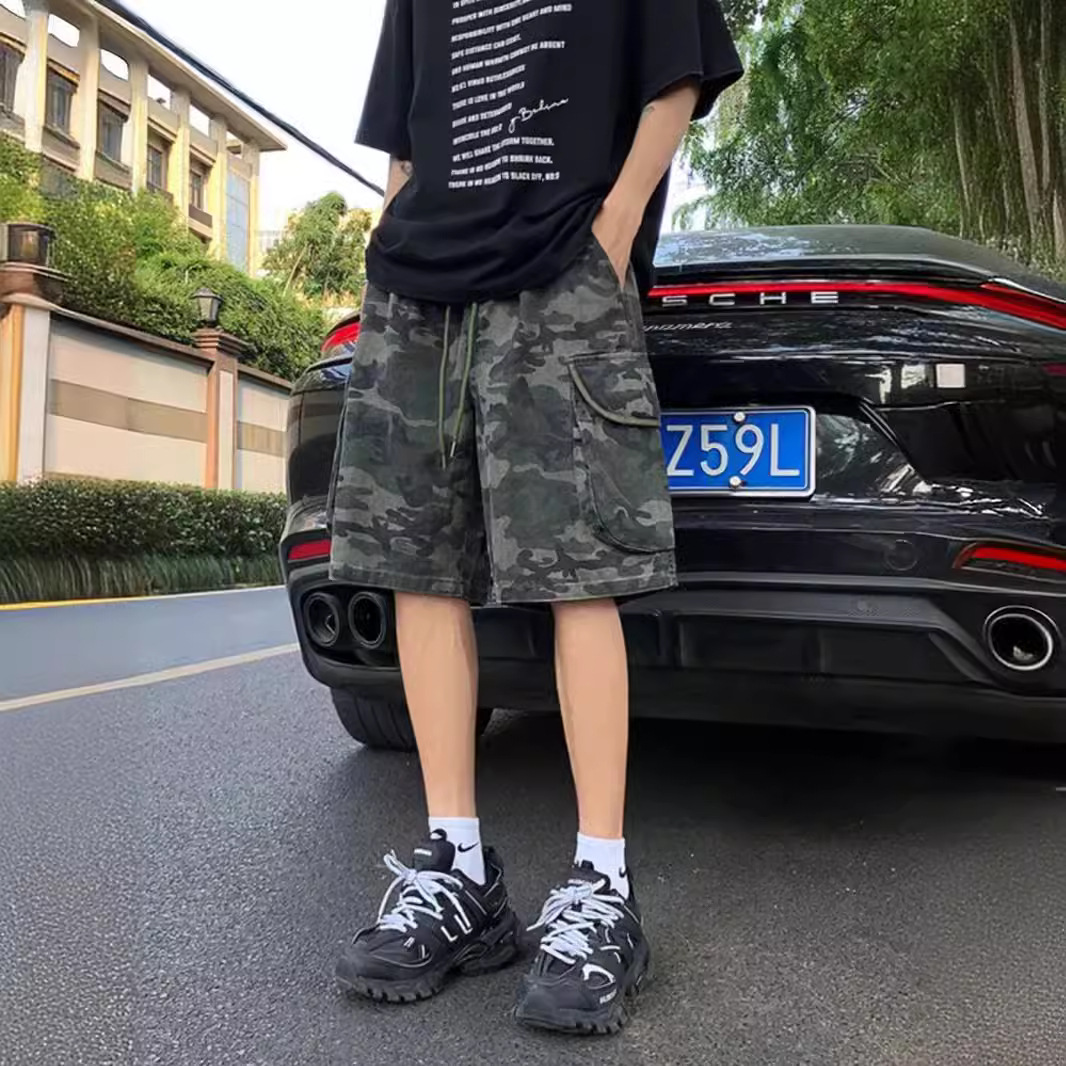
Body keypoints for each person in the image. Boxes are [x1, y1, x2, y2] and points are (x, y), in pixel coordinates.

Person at [329, 0, 742, 1035]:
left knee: (577, 571)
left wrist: (615, 229)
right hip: (420, 288)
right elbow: (403, 133)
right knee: (416, 567)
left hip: (563, 267)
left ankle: (602, 884)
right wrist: (396, 231)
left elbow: (677, 75)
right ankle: (458, 873)